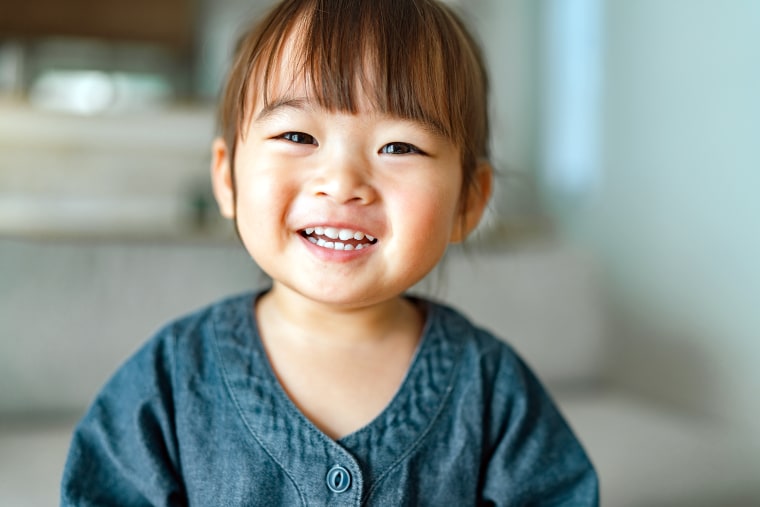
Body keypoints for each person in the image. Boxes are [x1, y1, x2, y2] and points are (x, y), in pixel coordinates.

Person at [61, 0, 598, 505]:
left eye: (399, 147)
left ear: (469, 201)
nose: (341, 183)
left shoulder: (491, 389)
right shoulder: (171, 380)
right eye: (297, 135)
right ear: (227, 177)